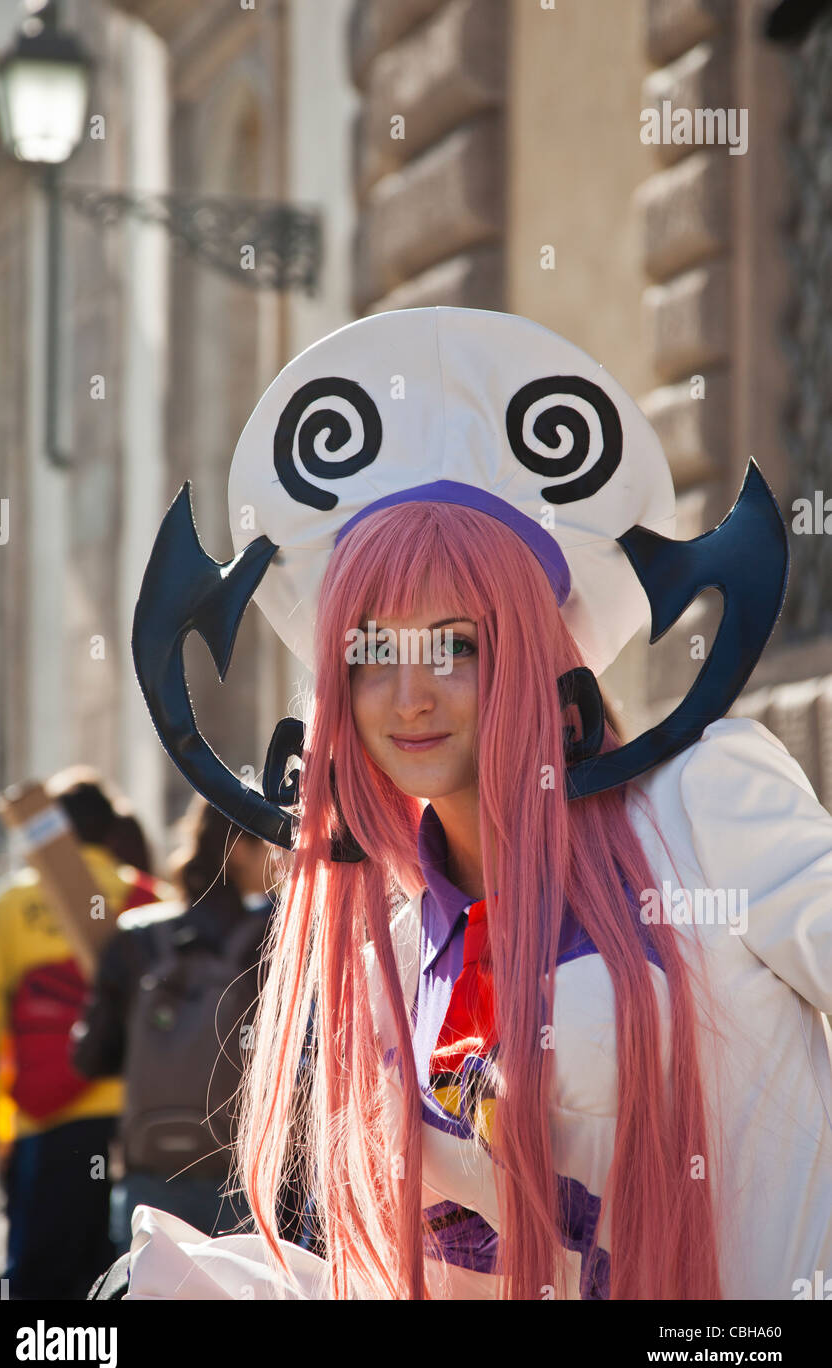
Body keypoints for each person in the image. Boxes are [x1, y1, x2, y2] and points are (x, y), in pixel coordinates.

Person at [102, 306, 832, 1300]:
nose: (410, 694)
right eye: (372, 652)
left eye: (457, 644)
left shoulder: (705, 803)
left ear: (535, 655)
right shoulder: (398, 951)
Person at [0, 767, 167, 1299]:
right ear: (109, 830)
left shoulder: (12, 905)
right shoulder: (149, 900)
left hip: (45, 1120)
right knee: (128, 1271)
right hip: (134, 1120)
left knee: (41, 1279)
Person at [72, 796, 296, 1253]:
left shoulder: (137, 938)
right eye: (271, 842)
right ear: (237, 851)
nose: (282, 857)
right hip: (245, 1183)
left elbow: (90, 1057)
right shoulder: (279, 934)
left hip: (151, 1183)